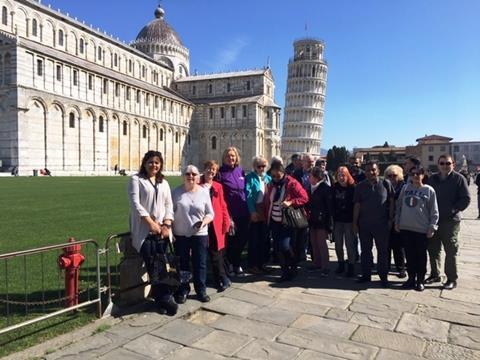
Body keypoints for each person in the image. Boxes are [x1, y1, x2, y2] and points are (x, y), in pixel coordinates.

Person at [128, 150, 177, 315]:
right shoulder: (136, 180)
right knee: (153, 265)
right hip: (145, 231)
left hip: (162, 231)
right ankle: (165, 299)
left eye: (157, 162)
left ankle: (161, 300)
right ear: (144, 163)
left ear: (160, 164)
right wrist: (150, 223)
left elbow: (169, 204)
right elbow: (135, 204)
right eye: (150, 162)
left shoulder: (164, 182)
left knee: (161, 265)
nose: (153, 165)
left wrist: (167, 224)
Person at [425, 155, 470, 290]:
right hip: (434, 221)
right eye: (442, 163)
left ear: (453, 164)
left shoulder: (459, 179)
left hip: (450, 221)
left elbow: (466, 199)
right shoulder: (432, 179)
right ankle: (434, 274)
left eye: (447, 163)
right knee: (433, 249)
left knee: (451, 250)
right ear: (438, 165)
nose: (445, 165)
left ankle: (451, 278)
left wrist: (453, 210)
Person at [172, 165, 214, 303]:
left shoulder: (203, 192)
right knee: (183, 263)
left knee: (200, 263)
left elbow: (210, 213)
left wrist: (204, 222)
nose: (191, 176)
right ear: (183, 176)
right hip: (181, 233)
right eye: (188, 174)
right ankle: (183, 289)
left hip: (200, 233)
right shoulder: (176, 192)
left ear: (198, 177)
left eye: (194, 174)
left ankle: (201, 289)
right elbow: (170, 212)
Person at [395, 166, 439, 291]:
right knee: (409, 255)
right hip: (406, 228)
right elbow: (399, 206)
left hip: (421, 229)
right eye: (412, 173)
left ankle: (420, 280)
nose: (415, 176)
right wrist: (397, 222)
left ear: (423, 175)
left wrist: (432, 227)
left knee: (421, 256)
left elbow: (434, 210)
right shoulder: (405, 188)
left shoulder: (429, 190)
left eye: (418, 173)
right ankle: (411, 278)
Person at [353, 161, 395, 287]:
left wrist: (390, 218)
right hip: (364, 224)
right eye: (367, 170)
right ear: (364, 172)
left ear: (378, 171)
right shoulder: (360, 186)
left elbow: (392, 201)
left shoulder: (386, 183)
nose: (371, 172)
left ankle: (383, 277)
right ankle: (366, 275)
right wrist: (355, 223)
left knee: (383, 251)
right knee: (366, 251)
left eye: (373, 170)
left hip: (381, 224)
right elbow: (357, 205)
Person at [264, 162, 308, 282]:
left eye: (278, 176)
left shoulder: (291, 183)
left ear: (283, 173)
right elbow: (269, 202)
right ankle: (285, 272)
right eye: (273, 176)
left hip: (287, 221)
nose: (275, 178)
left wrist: (291, 202)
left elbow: (304, 197)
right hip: (274, 220)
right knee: (277, 247)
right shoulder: (271, 185)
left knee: (285, 246)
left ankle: (293, 265)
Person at [200, 160, 231, 292]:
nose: (211, 171)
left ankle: (222, 279)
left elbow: (223, 205)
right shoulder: (197, 184)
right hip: (201, 223)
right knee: (201, 253)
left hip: (215, 223)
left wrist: (226, 221)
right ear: (204, 169)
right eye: (209, 168)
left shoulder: (218, 186)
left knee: (216, 252)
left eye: (214, 170)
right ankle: (205, 280)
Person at [218, 147, 250, 277]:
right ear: (224, 158)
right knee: (231, 241)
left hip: (243, 210)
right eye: (228, 156)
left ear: (237, 158)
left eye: (233, 156)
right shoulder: (220, 173)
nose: (231, 158)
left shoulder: (240, 171)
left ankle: (236, 263)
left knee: (242, 239)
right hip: (229, 213)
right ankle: (230, 265)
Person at [245, 155, 271, 274]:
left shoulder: (268, 178)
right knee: (254, 239)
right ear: (254, 167)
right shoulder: (250, 177)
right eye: (259, 166)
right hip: (255, 208)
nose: (261, 168)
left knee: (263, 239)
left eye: (263, 166)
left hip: (265, 210)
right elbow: (248, 195)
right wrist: (252, 211)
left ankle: (262, 264)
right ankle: (252, 264)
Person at [306, 167, 333, 276]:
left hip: (322, 220)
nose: (309, 177)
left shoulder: (325, 188)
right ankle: (317, 263)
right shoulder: (310, 187)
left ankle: (325, 266)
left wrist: (329, 225)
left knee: (322, 243)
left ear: (316, 177)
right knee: (314, 242)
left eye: (311, 175)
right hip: (312, 220)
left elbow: (329, 208)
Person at [332, 166, 356, 277]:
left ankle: (351, 265)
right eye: (339, 175)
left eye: (343, 175)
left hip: (349, 220)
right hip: (338, 220)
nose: (341, 177)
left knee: (350, 244)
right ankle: (340, 263)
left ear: (347, 175)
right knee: (338, 244)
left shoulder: (352, 188)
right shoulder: (334, 187)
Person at [384, 164, 406, 278]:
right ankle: (385, 267)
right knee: (386, 245)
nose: (392, 177)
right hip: (386, 218)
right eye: (389, 175)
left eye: (394, 175)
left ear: (399, 176)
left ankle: (401, 268)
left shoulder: (404, 187)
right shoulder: (384, 186)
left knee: (398, 246)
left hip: (399, 219)